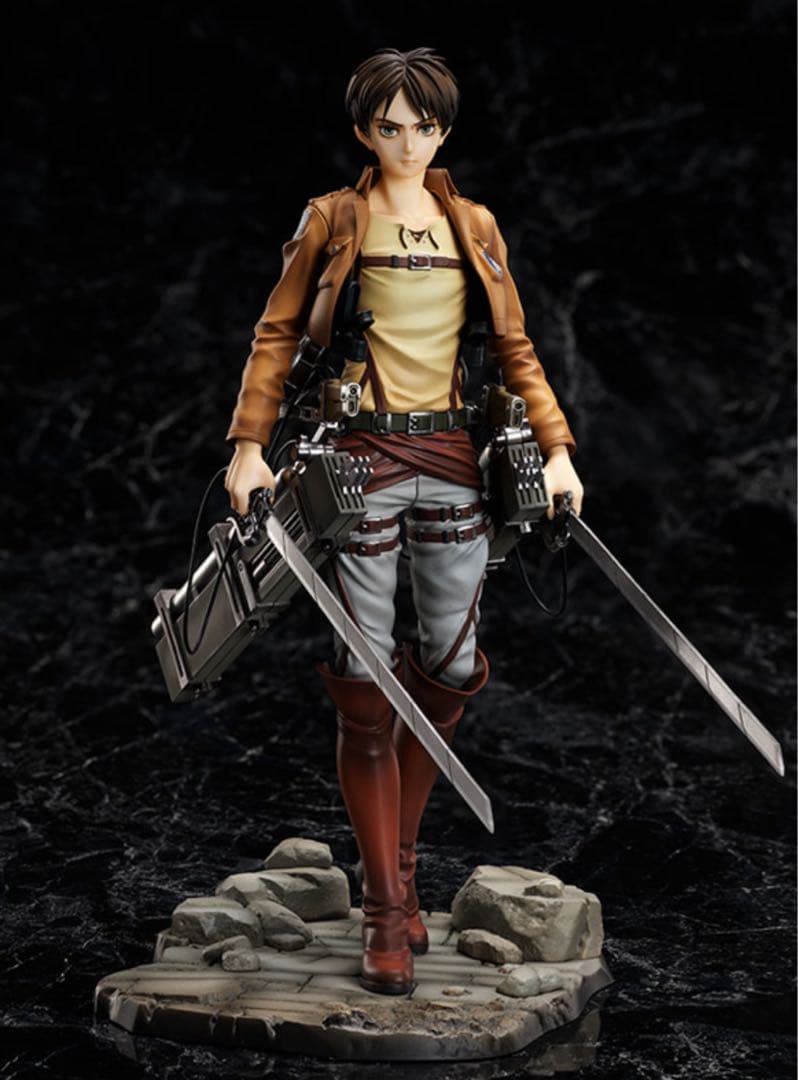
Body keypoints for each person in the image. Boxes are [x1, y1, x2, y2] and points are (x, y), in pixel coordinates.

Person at [224, 47, 583, 995]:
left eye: (423, 126)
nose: (408, 143)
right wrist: (249, 444)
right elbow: (275, 331)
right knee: (365, 675)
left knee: (452, 669)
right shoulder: (334, 219)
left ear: (444, 129)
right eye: (390, 127)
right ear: (364, 131)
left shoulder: (474, 224)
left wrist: (555, 448)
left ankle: (405, 861)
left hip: (455, 457)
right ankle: (386, 904)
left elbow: (514, 345)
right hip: (361, 462)